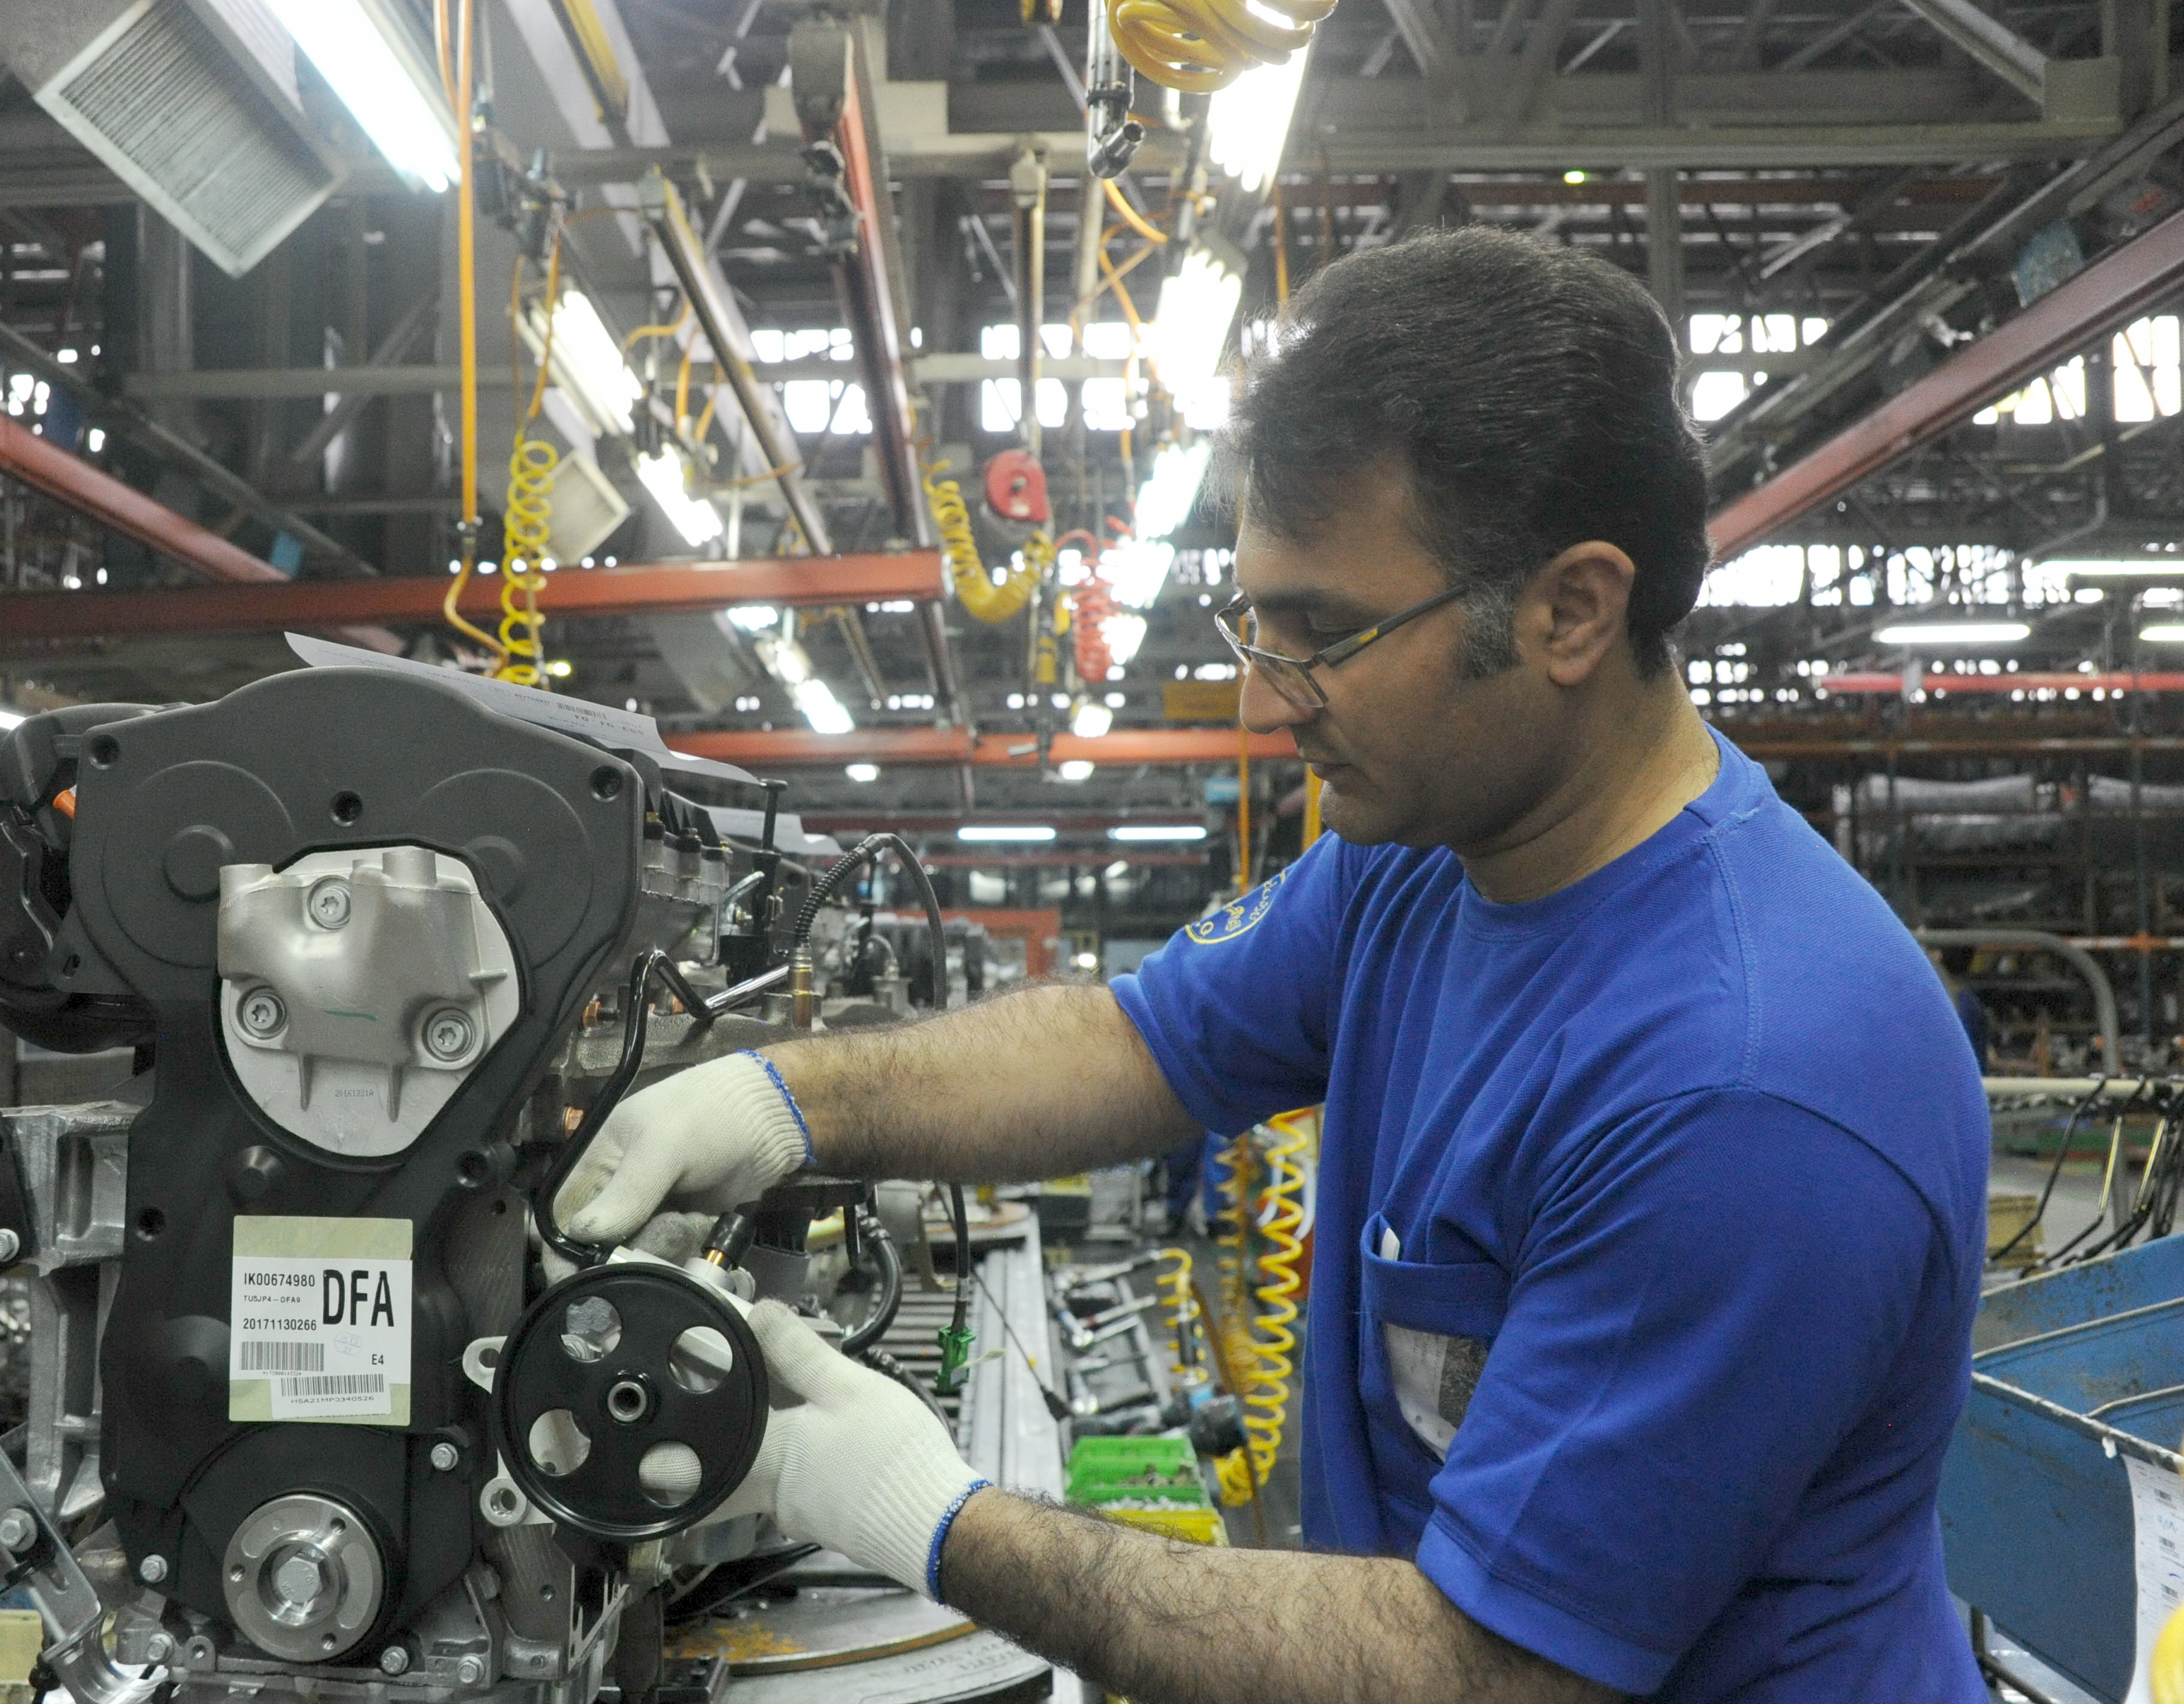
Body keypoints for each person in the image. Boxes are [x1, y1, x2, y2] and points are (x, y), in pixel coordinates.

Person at [559, 227, 1990, 1703]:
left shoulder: (1741, 1087)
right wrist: (780, 1100)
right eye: (1253, 618)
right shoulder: (1422, 851)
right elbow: (1141, 1044)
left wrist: (931, 1520)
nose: (1260, 698)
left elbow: (1489, 1673)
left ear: (1569, 610)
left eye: (1322, 631)